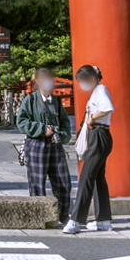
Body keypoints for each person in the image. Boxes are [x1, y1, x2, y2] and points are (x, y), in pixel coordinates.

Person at [16, 66, 73, 219]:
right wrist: (42, 129)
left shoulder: (55, 100)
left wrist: (63, 135)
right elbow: (21, 121)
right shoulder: (31, 99)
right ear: (37, 81)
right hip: (36, 144)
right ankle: (38, 217)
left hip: (55, 144)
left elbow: (65, 122)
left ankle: (63, 215)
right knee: (37, 182)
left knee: (63, 182)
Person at [64, 64, 114, 234]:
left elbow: (107, 108)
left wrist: (91, 118)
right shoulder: (97, 90)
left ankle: (76, 220)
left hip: (99, 135)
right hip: (100, 136)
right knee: (98, 177)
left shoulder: (100, 90)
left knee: (86, 177)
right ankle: (103, 220)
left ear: (92, 78)